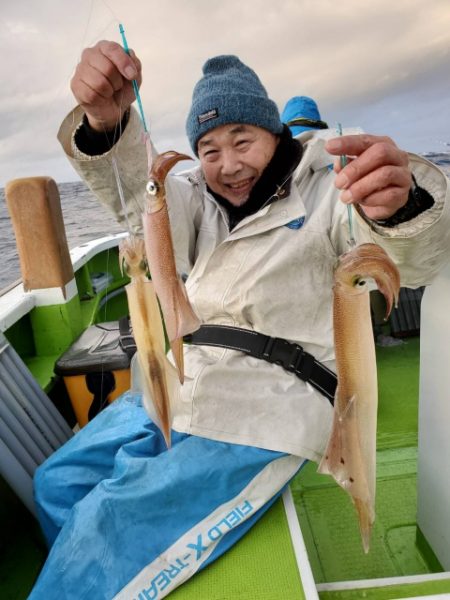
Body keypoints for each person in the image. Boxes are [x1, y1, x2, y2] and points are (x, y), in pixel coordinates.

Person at [30, 42, 450, 599]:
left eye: (242, 140)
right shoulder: (195, 201)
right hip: (183, 379)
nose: (227, 165)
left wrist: (402, 206)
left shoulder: (328, 190)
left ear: (275, 132)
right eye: (208, 148)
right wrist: (106, 125)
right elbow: (142, 194)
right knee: (57, 483)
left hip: (266, 406)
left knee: (101, 529)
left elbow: (412, 256)